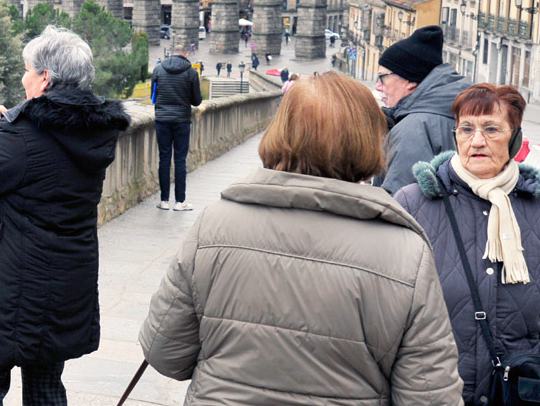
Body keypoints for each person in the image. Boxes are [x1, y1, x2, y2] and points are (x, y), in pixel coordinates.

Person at [139, 72, 463, 404]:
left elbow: (164, 353)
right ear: (370, 138)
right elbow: (430, 395)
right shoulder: (406, 253)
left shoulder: (215, 225)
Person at [0, 26, 131, 405]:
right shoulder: (89, 132)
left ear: (45, 78)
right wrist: (14, 118)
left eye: (26, 69)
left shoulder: (24, 140)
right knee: (44, 386)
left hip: (9, 292)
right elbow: (46, 160)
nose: (22, 77)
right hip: (64, 287)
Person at [395, 84, 540, 405]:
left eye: (491, 129)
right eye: (466, 129)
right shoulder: (413, 203)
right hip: (436, 392)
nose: (477, 141)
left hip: (517, 392)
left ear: (515, 138)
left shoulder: (536, 207)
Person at [375, 25, 472, 194]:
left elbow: (396, 204)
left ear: (410, 81)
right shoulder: (463, 109)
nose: (378, 86)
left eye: (382, 77)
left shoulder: (412, 129)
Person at [151, 43, 203, 211]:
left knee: (164, 159)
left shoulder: (158, 70)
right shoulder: (191, 72)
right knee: (180, 160)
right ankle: (180, 202)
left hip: (162, 120)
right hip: (181, 120)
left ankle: (164, 200)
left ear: (170, 54)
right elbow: (197, 100)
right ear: (185, 55)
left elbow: (153, 96)